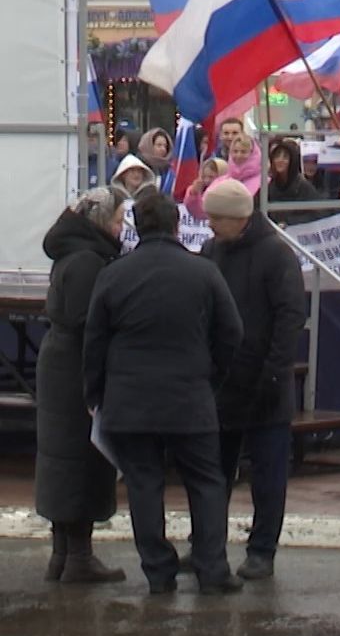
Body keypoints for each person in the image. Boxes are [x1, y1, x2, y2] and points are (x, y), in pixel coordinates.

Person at [83, 193, 244, 594]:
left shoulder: (113, 274)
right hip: (191, 398)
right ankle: (212, 569)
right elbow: (232, 333)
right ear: (176, 226)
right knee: (207, 482)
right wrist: (211, 379)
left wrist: (95, 394)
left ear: (138, 226)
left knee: (143, 483)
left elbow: (94, 342)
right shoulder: (203, 272)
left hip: (129, 401)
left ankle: (158, 571)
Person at [198, 178, 304, 580]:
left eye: (215, 218)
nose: (208, 225)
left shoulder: (276, 255)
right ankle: (208, 546)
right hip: (221, 383)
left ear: (237, 218)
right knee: (213, 474)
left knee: (268, 477)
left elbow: (290, 317)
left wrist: (274, 374)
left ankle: (262, 550)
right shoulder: (211, 251)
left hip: (265, 385)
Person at [36, 187, 129, 585]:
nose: (122, 226)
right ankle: (79, 556)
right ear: (103, 221)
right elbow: (87, 322)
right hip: (76, 368)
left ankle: (62, 554)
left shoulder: (71, 254)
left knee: (60, 457)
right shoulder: (90, 262)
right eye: (120, 218)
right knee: (80, 458)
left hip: (59, 364)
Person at [264, 139, 324, 224]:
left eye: (285, 157)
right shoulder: (270, 186)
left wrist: (289, 222)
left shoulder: (303, 186)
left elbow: (318, 214)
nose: (280, 160)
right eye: (277, 156)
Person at [218, 118, 262, 194]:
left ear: (242, 133)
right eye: (226, 133)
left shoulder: (259, 155)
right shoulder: (214, 156)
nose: (230, 137)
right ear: (221, 135)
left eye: (235, 133)